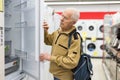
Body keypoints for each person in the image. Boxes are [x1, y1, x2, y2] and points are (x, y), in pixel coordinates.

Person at [40, 8, 81, 80]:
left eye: (65, 18)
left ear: (73, 22)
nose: (61, 19)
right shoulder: (58, 31)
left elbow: (72, 62)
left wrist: (50, 57)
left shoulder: (74, 38)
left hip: (64, 77)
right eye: (62, 16)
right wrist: (45, 31)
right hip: (55, 74)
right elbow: (47, 40)